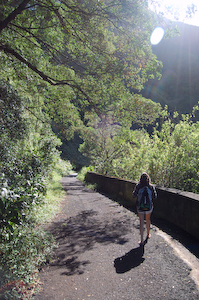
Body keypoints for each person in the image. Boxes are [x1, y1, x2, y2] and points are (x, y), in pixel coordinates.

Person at [132, 172, 157, 245]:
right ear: (148, 179)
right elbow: (155, 196)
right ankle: (148, 234)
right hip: (149, 207)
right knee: (148, 220)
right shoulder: (151, 187)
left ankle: (142, 240)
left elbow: (134, 195)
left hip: (140, 207)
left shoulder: (138, 186)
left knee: (141, 222)